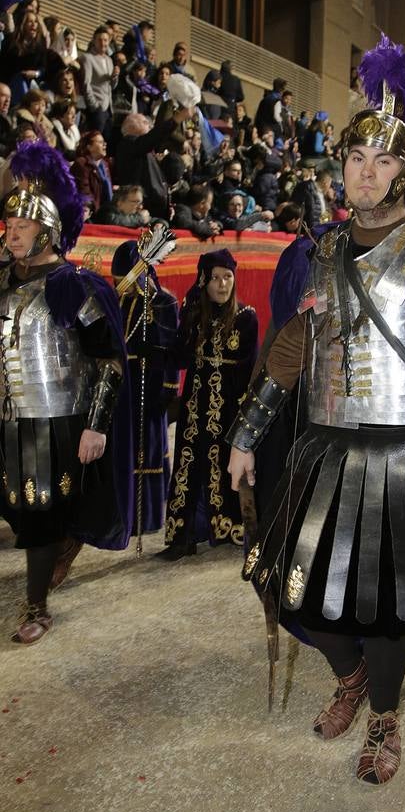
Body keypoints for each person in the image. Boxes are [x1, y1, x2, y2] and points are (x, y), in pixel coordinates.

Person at [227, 37, 405, 786]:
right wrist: (248, 433)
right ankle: (348, 676)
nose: (365, 172)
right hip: (325, 445)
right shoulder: (318, 252)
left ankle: (383, 712)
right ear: (340, 168)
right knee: (278, 577)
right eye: (355, 160)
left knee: (383, 604)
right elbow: (288, 351)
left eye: (381, 162)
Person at [0, 141, 133, 644]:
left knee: (37, 515)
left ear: (48, 231)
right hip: (7, 415)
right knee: (21, 511)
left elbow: (108, 360)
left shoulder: (73, 286)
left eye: (23, 227)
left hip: (57, 420)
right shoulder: (1, 280)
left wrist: (96, 424)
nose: (12, 234)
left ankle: (35, 606)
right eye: (8, 227)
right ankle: (60, 540)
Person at [157, 250, 258, 560]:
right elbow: (179, 358)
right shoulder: (194, 315)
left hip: (227, 409)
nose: (223, 284)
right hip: (195, 406)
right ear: (204, 281)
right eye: (215, 278)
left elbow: (248, 369)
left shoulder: (246, 317)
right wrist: (182, 321)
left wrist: (244, 418)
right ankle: (184, 536)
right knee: (188, 465)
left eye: (227, 277)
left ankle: (228, 529)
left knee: (222, 464)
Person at [111, 240, 179, 534]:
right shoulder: (118, 300)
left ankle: (147, 515)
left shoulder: (161, 301)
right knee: (124, 448)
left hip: (149, 385)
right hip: (123, 385)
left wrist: (166, 388)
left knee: (147, 449)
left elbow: (170, 350)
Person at [79, 25, 120, 139]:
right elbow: (86, 83)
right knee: (94, 140)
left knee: (105, 142)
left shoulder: (109, 60)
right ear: (94, 41)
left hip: (108, 108)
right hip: (97, 107)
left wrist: (115, 77)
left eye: (105, 40)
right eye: (100, 40)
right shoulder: (88, 58)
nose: (103, 43)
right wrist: (94, 106)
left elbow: (112, 86)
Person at [71, 130, 113, 213]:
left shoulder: (105, 165)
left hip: (104, 209)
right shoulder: (82, 164)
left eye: (104, 142)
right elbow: (84, 191)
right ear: (89, 147)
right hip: (89, 211)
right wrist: (94, 208)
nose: (105, 144)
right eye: (100, 142)